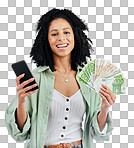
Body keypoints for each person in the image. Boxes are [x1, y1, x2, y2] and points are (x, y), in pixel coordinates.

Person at [5, 8, 116, 148]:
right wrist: (21, 101)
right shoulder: (37, 77)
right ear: (46, 39)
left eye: (66, 32)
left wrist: (105, 108)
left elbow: (97, 133)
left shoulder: (88, 78)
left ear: (75, 36)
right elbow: (20, 133)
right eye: (54, 34)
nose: (61, 38)